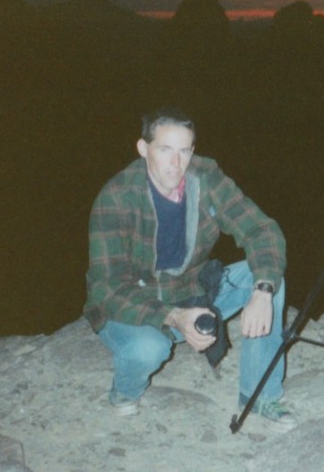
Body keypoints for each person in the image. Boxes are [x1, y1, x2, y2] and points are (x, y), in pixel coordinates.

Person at [84, 106, 296, 430]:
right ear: (144, 149)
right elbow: (107, 287)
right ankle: (124, 393)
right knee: (149, 348)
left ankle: (259, 395)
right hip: (138, 302)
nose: (176, 162)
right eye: (165, 149)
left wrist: (263, 291)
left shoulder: (206, 178)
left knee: (268, 279)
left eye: (184, 150)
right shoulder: (116, 198)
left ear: (193, 150)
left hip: (193, 289)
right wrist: (172, 317)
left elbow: (261, 230)